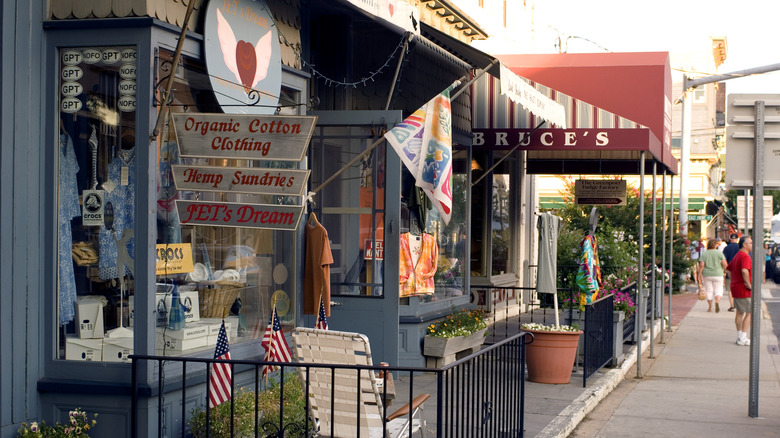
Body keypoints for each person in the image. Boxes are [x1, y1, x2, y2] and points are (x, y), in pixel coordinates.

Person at [727, 235, 753, 346]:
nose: (752, 245)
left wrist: (734, 280)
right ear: (744, 244)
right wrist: (748, 284)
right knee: (749, 312)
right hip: (743, 288)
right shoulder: (745, 256)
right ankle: (743, 337)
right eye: (750, 243)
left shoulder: (738, 255)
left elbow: (728, 269)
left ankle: (740, 336)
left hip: (736, 286)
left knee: (739, 312)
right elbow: (744, 271)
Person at [699, 238, 728, 313]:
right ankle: (717, 301)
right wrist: (726, 271)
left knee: (709, 291)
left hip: (707, 274)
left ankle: (710, 307)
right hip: (718, 274)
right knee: (718, 290)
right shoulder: (719, 253)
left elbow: (701, 265)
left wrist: (699, 274)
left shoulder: (704, 253)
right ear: (715, 245)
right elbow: (725, 264)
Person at [722, 233, 740, 312]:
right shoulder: (740, 247)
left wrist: (724, 270)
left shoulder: (726, 248)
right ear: (737, 239)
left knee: (730, 290)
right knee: (738, 289)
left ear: (730, 238)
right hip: (739, 271)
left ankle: (732, 306)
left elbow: (723, 260)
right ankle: (738, 305)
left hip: (729, 270)